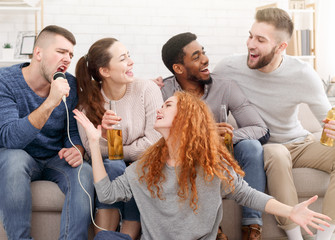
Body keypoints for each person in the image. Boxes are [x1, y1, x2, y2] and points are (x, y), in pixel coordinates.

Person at [74, 91, 331, 240]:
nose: (159, 110)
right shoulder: (145, 168)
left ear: (186, 118)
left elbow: (246, 193)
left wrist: (290, 211)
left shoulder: (210, 167)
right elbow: (107, 194)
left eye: (168, 105)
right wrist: (95, 145)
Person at [213, 7, 335, 240]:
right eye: (250, 36)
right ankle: (294, 236)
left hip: (301, 142)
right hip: (268, 146)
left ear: (281, 47)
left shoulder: (302, 73)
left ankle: (325, 235)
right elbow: (202, 91)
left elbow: (326, 117)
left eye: (260, 40)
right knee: (278, 155)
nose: (250, 44)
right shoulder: (229, 68)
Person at [158, 32, 269, 239]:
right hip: (187, 158)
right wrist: (203, 135)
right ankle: (212, 230)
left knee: (252, 147)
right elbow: (158, 137)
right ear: (178, 68)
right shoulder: (162, 92)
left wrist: (229, 136)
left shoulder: (225, 86)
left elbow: (260, 128)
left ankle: (252, 227)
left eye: (203, 53)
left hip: (223, 157)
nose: (205, 59)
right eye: (196, 56)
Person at [0, 25, 94, 239]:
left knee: (83, 171)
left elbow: (73, 132)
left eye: (70, 54)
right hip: (18, 155)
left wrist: (77, 149)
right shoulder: (5, 81)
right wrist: (50, 102)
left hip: (54, 159)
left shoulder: (69, 84)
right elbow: (10, 139)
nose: (68, 59)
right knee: (14, 159)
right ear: (38, 53)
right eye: (61, 52)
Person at [75, 37, 163, 239]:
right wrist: (103, 137)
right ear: (105, 71)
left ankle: (122, 237)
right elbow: (91, 149)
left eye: (128, 56)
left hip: (142, 165)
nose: (131, 62)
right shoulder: (88, 104)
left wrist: (118, 149)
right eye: (123, 59)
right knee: (115, 166)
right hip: (109, 166)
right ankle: (108, 237)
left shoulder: (147, 90)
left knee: (133, 169)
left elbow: (154, 143)